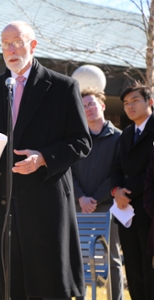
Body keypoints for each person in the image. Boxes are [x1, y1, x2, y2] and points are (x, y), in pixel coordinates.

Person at [0, 21, 91, 299]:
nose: (11, 49)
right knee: (3, 282)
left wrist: (43, 158)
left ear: (33, 45)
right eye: (5, 44)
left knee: (47, 285)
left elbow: (81, 141)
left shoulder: (62, 87)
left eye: (17, 42)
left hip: (45, 203)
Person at [71, 88, 124, 300]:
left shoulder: (119, 138)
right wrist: (81, 197)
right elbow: (68, 171)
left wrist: (95, 199)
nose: (88, 109)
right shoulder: (76, 139)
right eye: (83, 106)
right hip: (79, 206)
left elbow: (118, 173)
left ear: (102, 105)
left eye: (91, 104)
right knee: (80, 258)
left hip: (107, 207)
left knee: (112, 259)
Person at [112, 83, 154, 300]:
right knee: (134, 269)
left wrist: (127, 192)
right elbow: (116, 168)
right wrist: (116, 191)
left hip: (149, 210)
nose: (130, 106)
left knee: (150, 270)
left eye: (135, 100)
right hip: (126, 212)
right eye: (126, 103)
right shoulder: (126, 134)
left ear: (150, 102)